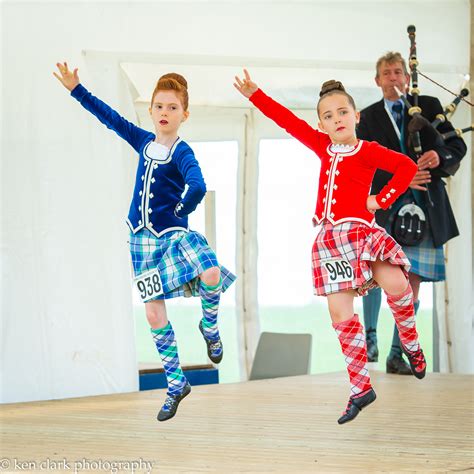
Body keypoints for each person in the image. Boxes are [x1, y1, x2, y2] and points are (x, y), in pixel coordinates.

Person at [234, 69, 426, 425]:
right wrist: (255, 95)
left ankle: (411, 344)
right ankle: (360, 388)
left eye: (342, 112)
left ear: (356, 116)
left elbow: (405, 166)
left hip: (362, 233)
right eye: (328, 115)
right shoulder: (321, 145)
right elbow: (287, 121)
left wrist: (380, 200)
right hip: (330, 240)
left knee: (398, 284)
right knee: (340, 313)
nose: (336, 119)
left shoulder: (368, 151)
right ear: (321, 124)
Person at [54, 62, 236, 422]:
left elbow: (197, 183)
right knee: (154, 312)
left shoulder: (182, 151)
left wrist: (184, 208)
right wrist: (77, 89)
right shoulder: (143, 140)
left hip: (173, 234)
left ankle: (210, 327)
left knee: (212, 273)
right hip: (141, 240)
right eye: (159, 106)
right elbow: (111, 119)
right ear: (151, 110)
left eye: (172, 107)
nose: (164, 112)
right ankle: (175, 383)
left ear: (185, 114)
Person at [357, 52, 467, 374]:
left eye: (397, 72)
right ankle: (371, 337)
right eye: (386, 73)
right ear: (377, 81)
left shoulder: (429, 106)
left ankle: (397, 353)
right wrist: (399, 178)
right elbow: (361, 165)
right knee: (378, 274)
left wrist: (438, 154)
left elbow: (457, 147)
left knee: (412, 281)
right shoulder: (367, 117)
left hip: (425, 207)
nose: (393, 78)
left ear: (407, 77)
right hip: (386, 207)